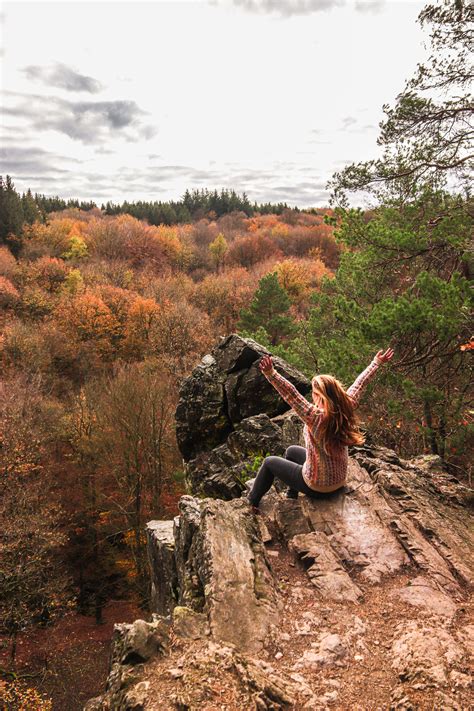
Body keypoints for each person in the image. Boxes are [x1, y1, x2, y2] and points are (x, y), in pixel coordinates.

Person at [246, 348, 394, 511]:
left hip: (317, 487)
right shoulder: (346, 406)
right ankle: (292, 495)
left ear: (321, 396)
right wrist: (376, 363)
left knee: (269, 463)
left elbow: (291, 394)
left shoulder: (314, 417)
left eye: (315, 393)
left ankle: (252, 502)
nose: (313, 397)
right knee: (292, 451)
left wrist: (271, 373)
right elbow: (360, 384)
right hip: (338, 480)